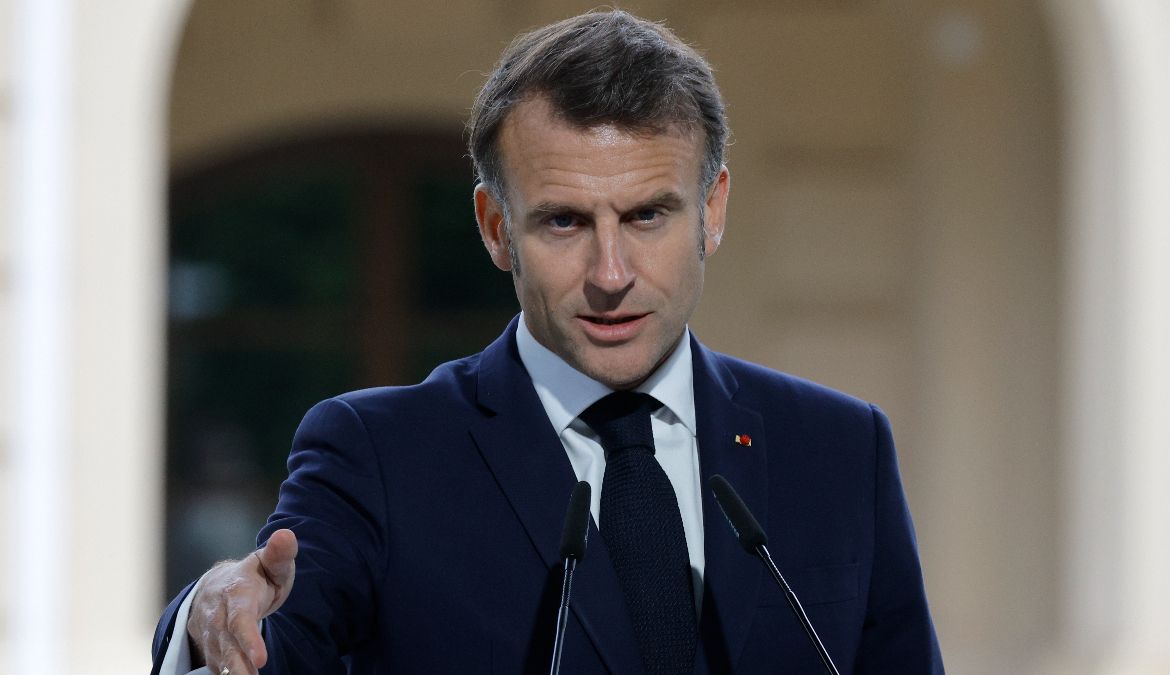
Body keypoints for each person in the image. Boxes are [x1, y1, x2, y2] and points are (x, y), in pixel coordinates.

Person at [152, 10, 943, 675]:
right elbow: (270, 644)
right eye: (564, 221)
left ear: (713, 210)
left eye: (647, 216)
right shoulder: (380, 455)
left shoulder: (840, 449)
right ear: (497, 228)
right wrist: (211, 611)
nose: (611, 273)